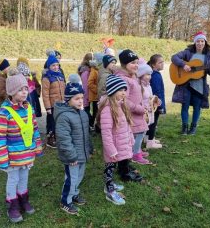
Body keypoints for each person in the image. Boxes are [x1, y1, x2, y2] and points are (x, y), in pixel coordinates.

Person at [0, 68, 43, 223]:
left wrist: (38, 147)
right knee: (13, 179)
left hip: (26, 155)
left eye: (26, 88)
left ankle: (23, 200)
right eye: (20, 89)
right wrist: (3, 159)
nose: (25, 92)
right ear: (11, 92)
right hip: (13, 157)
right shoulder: (4, 113)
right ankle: (12, 205)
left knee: (24, 178)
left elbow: (34, 129)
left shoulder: (29, 108)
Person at [171, 31, 210, 135]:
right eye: (198, 41)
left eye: (202, 41)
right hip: (186, 84)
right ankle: (184, 128)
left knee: (197, 107)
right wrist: (183, 65)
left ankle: (193, 128)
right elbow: (174, 57)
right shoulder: (188, 52)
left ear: (205, 42)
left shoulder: (208, 55)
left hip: (199, 85)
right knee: (185, 106)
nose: (200, 43)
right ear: (195, 42)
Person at [54, 74, 93, 215]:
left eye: (82, 98)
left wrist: (90, 147)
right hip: (72, 156)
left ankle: (74, 193)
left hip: (82, 153)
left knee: (79, 176)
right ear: (68, 99)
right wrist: (71, 156)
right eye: (77, 98)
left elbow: (86, 133)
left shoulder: (82, 114)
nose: (80, 101)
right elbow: (64, 139)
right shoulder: (64, 116)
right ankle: (65, 201)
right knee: (71, 178)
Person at [98, 74, 137, 205]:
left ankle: (111, 184)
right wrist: (111, 150)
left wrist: (130, 138)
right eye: (120, 90)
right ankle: (109, 190)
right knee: (109, 167)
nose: (124, 93)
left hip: (121, 144)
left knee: (113, 167)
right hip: (113, 147)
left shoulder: (120, 105)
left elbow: (127, 126)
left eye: (124, 90)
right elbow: (106, 133)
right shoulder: (107, 109)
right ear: (112, 92)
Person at [116, 49, 150, 165]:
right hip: (131, 113)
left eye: (136, 62)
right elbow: (124, 100)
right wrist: (139, 108)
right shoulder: (124, 79)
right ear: (124, 64)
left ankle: (137, 150)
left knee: (140, 132)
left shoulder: (132, 77)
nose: (136, 65)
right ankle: (135, 154)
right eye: (132, 63)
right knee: (138, 133)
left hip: (137, 112)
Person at [42, 54, 66, 148]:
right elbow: (45, 94)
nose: (56, 67)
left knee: (59, 122)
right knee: (52, 123)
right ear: (49, 66)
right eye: (53, 65)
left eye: (57, 65)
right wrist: (48, 107)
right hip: (52, 105)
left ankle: (57, 138)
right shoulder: (47, 78)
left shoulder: (60, 76)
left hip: (61, 104)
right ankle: (50, 140)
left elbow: (64, 89)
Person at [137, 59, 161, 150]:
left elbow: (150, 97)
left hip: (150, 111)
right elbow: (139, 100)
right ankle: (136, 151)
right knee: (139, 133)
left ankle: (138, 149)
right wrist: (145, 107)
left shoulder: (148, 85)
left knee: (144, 131)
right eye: (147, 74)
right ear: (140, 74)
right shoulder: (139, 87)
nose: (150, 76)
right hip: (143, 113)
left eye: (150, 74)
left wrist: (155, 100)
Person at [146, 54, 166, 146]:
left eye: (163, 62)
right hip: (155, 103)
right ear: (153, 65)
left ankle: (147, 138)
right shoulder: (156, 75)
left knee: (150, 121)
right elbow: (157, 91)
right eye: (160, 62)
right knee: (153, 122)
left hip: (152, 102)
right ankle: (150, 142)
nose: (163, 64)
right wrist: (160, 105)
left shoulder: (153, 74)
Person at [78, 53, 93, 128]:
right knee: (86, 110)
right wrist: (86, 96)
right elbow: (85, 85)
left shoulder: (89, 69)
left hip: (89, 94)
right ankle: (88, 125)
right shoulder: (85, 71)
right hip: (87, 94)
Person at [87, 57, 99, 130]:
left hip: (96, 96)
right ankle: (91, 125)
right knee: (94, 112)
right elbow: (90, 83)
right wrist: (97, 90)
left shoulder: (96, 70)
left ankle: (92, 125)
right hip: (94, 96)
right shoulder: (93, 71)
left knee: (95, 111)